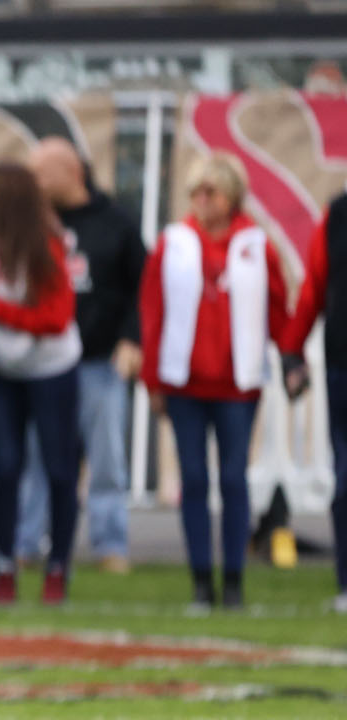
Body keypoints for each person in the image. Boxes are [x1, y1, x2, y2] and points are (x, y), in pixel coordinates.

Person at [140, 151, 289, 612]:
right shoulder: (174, 242)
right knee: (193, 478)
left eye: (211, 192)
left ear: (231, 196)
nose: (202, 201)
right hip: (184, 382)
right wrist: (153, 380)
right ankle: (201, 580)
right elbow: (152, 309)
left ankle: (235, 583)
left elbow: (278, 309)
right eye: (195, 192)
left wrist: (290, 355)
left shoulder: (255, 244)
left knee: (233, 478)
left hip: (237, 384)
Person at [0, 164, 81, 606]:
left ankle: (57, 566)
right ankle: (3, 565)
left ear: (4, 198)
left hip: (51, 368)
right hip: (2, 369)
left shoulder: (45, 240)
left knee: (60, 469)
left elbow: (56, 319)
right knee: (5, 467)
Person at [14, 138, 146, 573]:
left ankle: (111, 544)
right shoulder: (31, 224)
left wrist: (132, 339)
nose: (34, 183)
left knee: (107, 459)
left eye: (41, 174)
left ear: (71, 172)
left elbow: (143, 290)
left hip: (99, 362)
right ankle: (27, 543)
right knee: (38, 457)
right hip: (46, 363)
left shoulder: (117, 224)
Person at [279, 187, 347, 614]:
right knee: (345, 478)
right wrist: (292, 351)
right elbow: (314, 288)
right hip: (344, 363)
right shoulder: (337, 215)